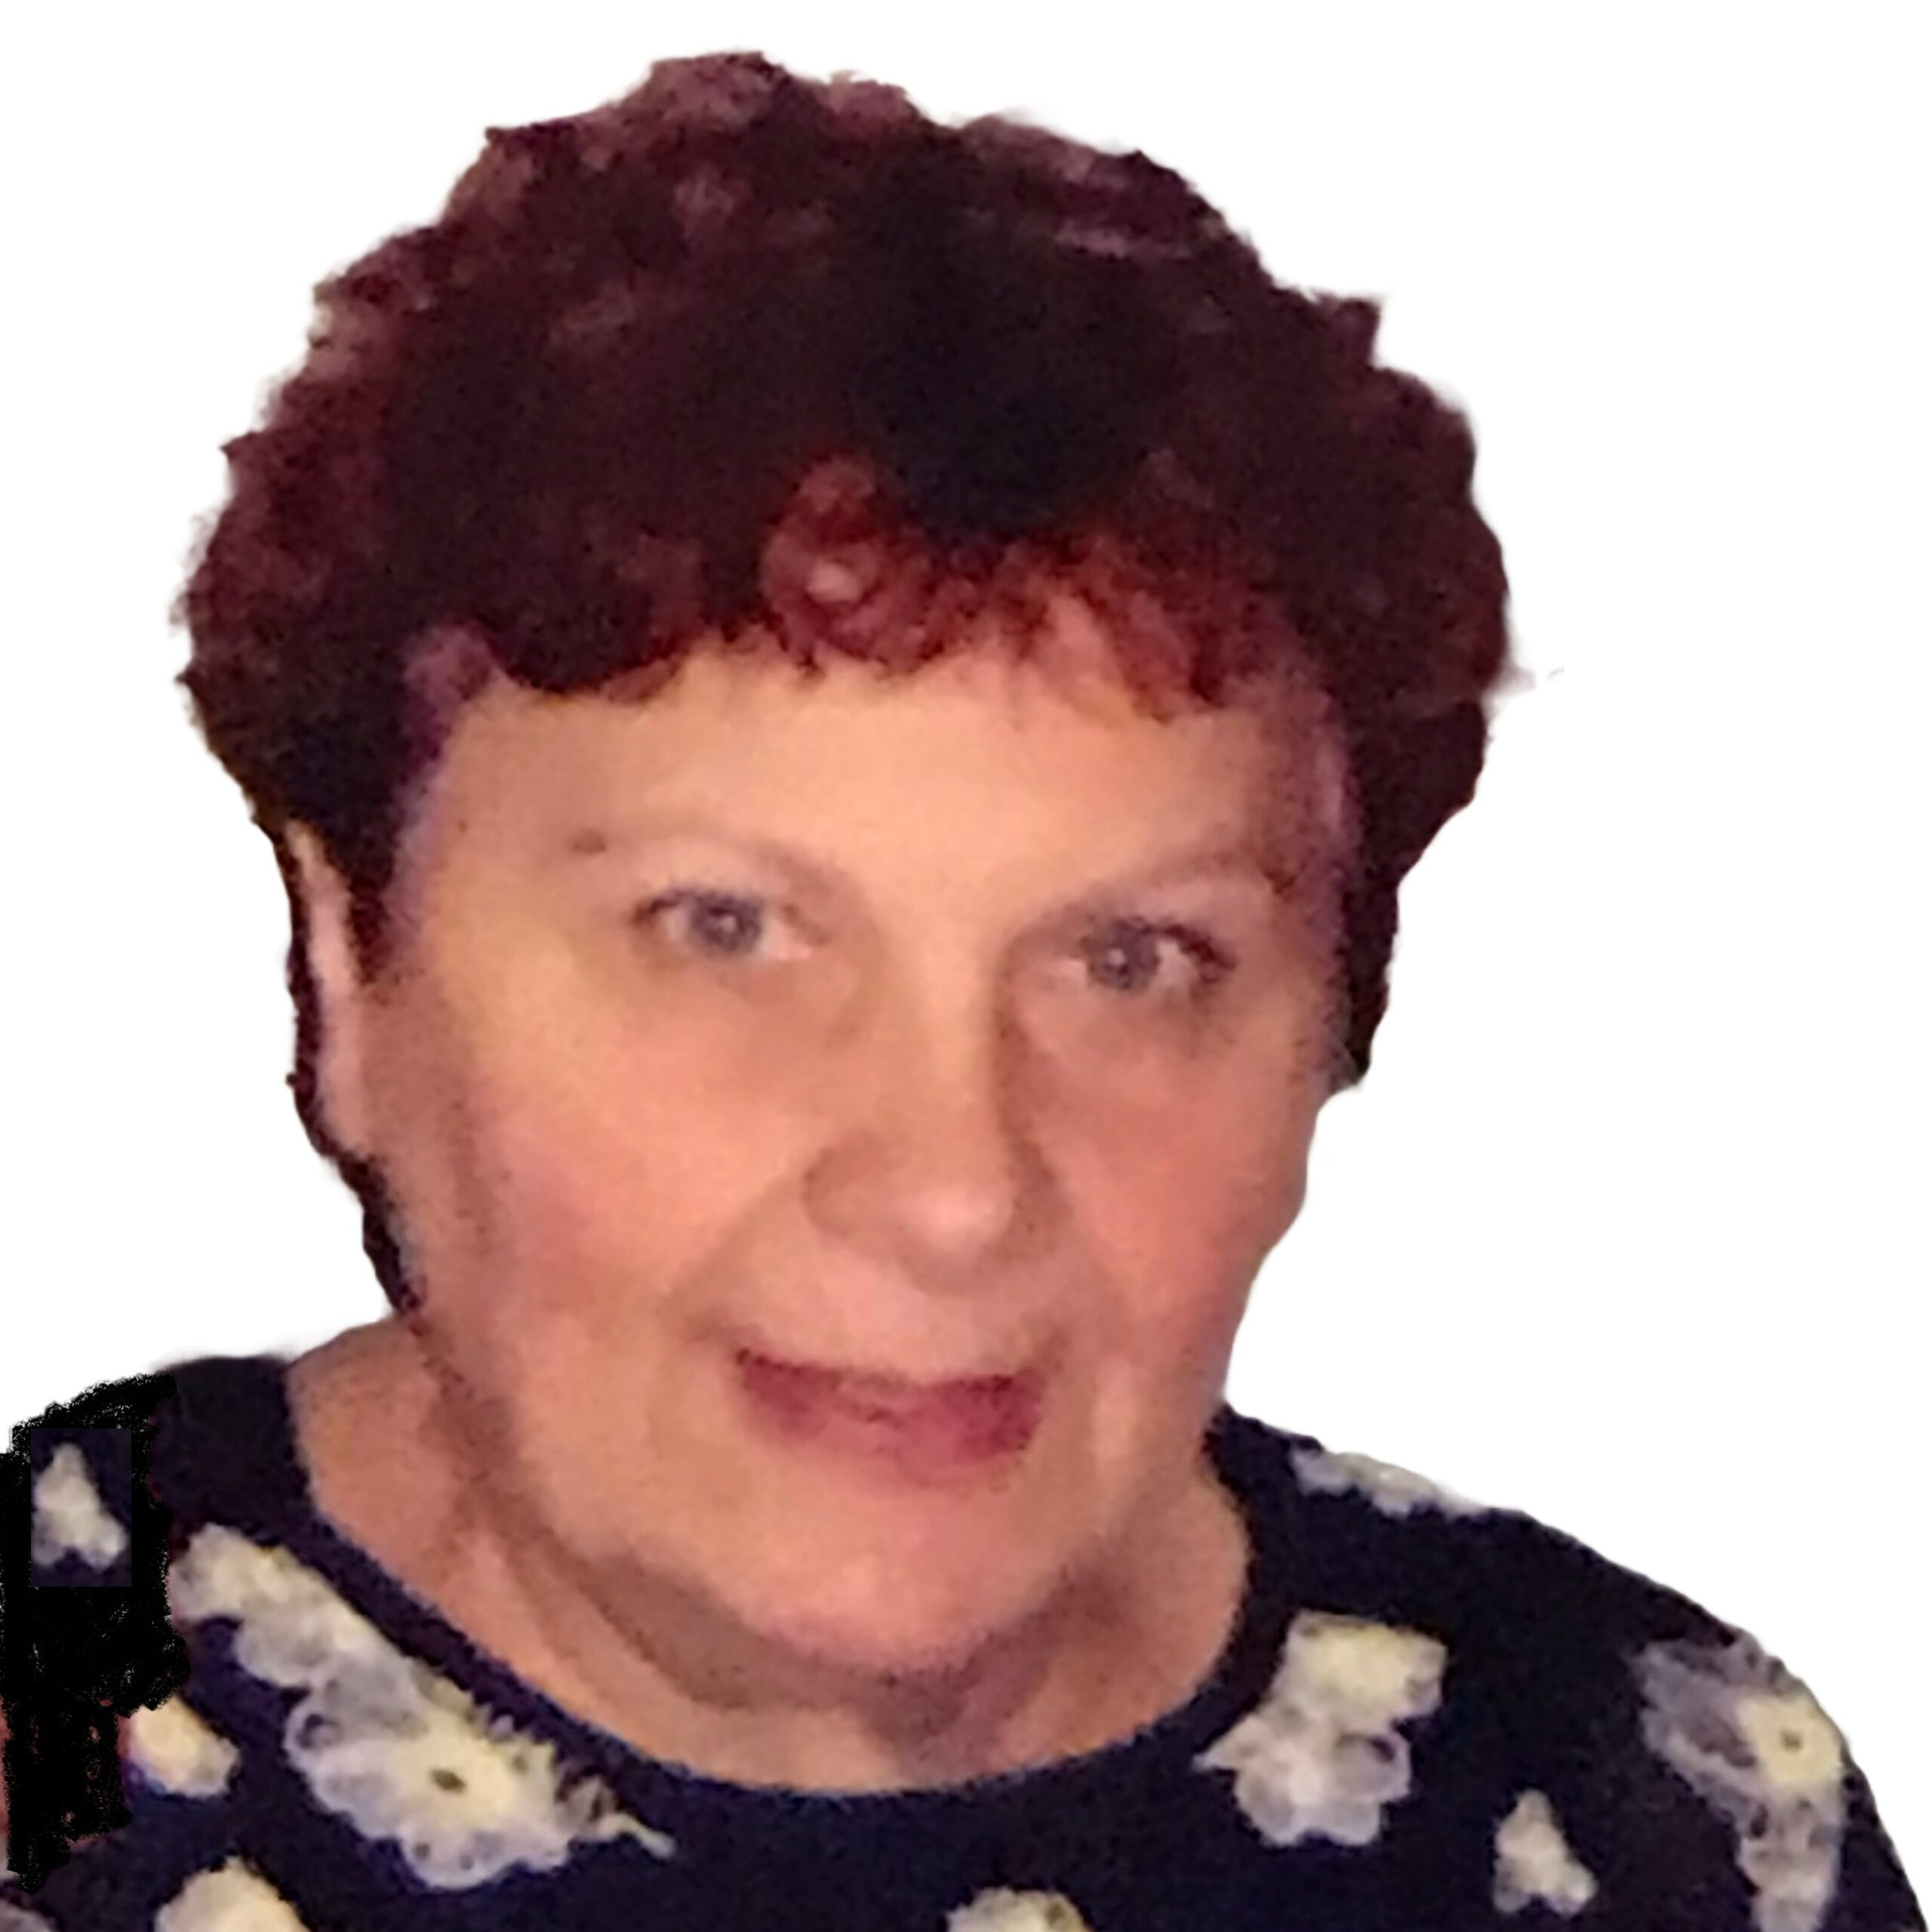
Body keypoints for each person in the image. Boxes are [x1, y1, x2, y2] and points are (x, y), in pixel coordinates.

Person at [0, 47, 1919, 1932]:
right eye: (721, 928)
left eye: (1130, 960)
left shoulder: (1658, 1820)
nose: (952, 1188)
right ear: (352, 966)